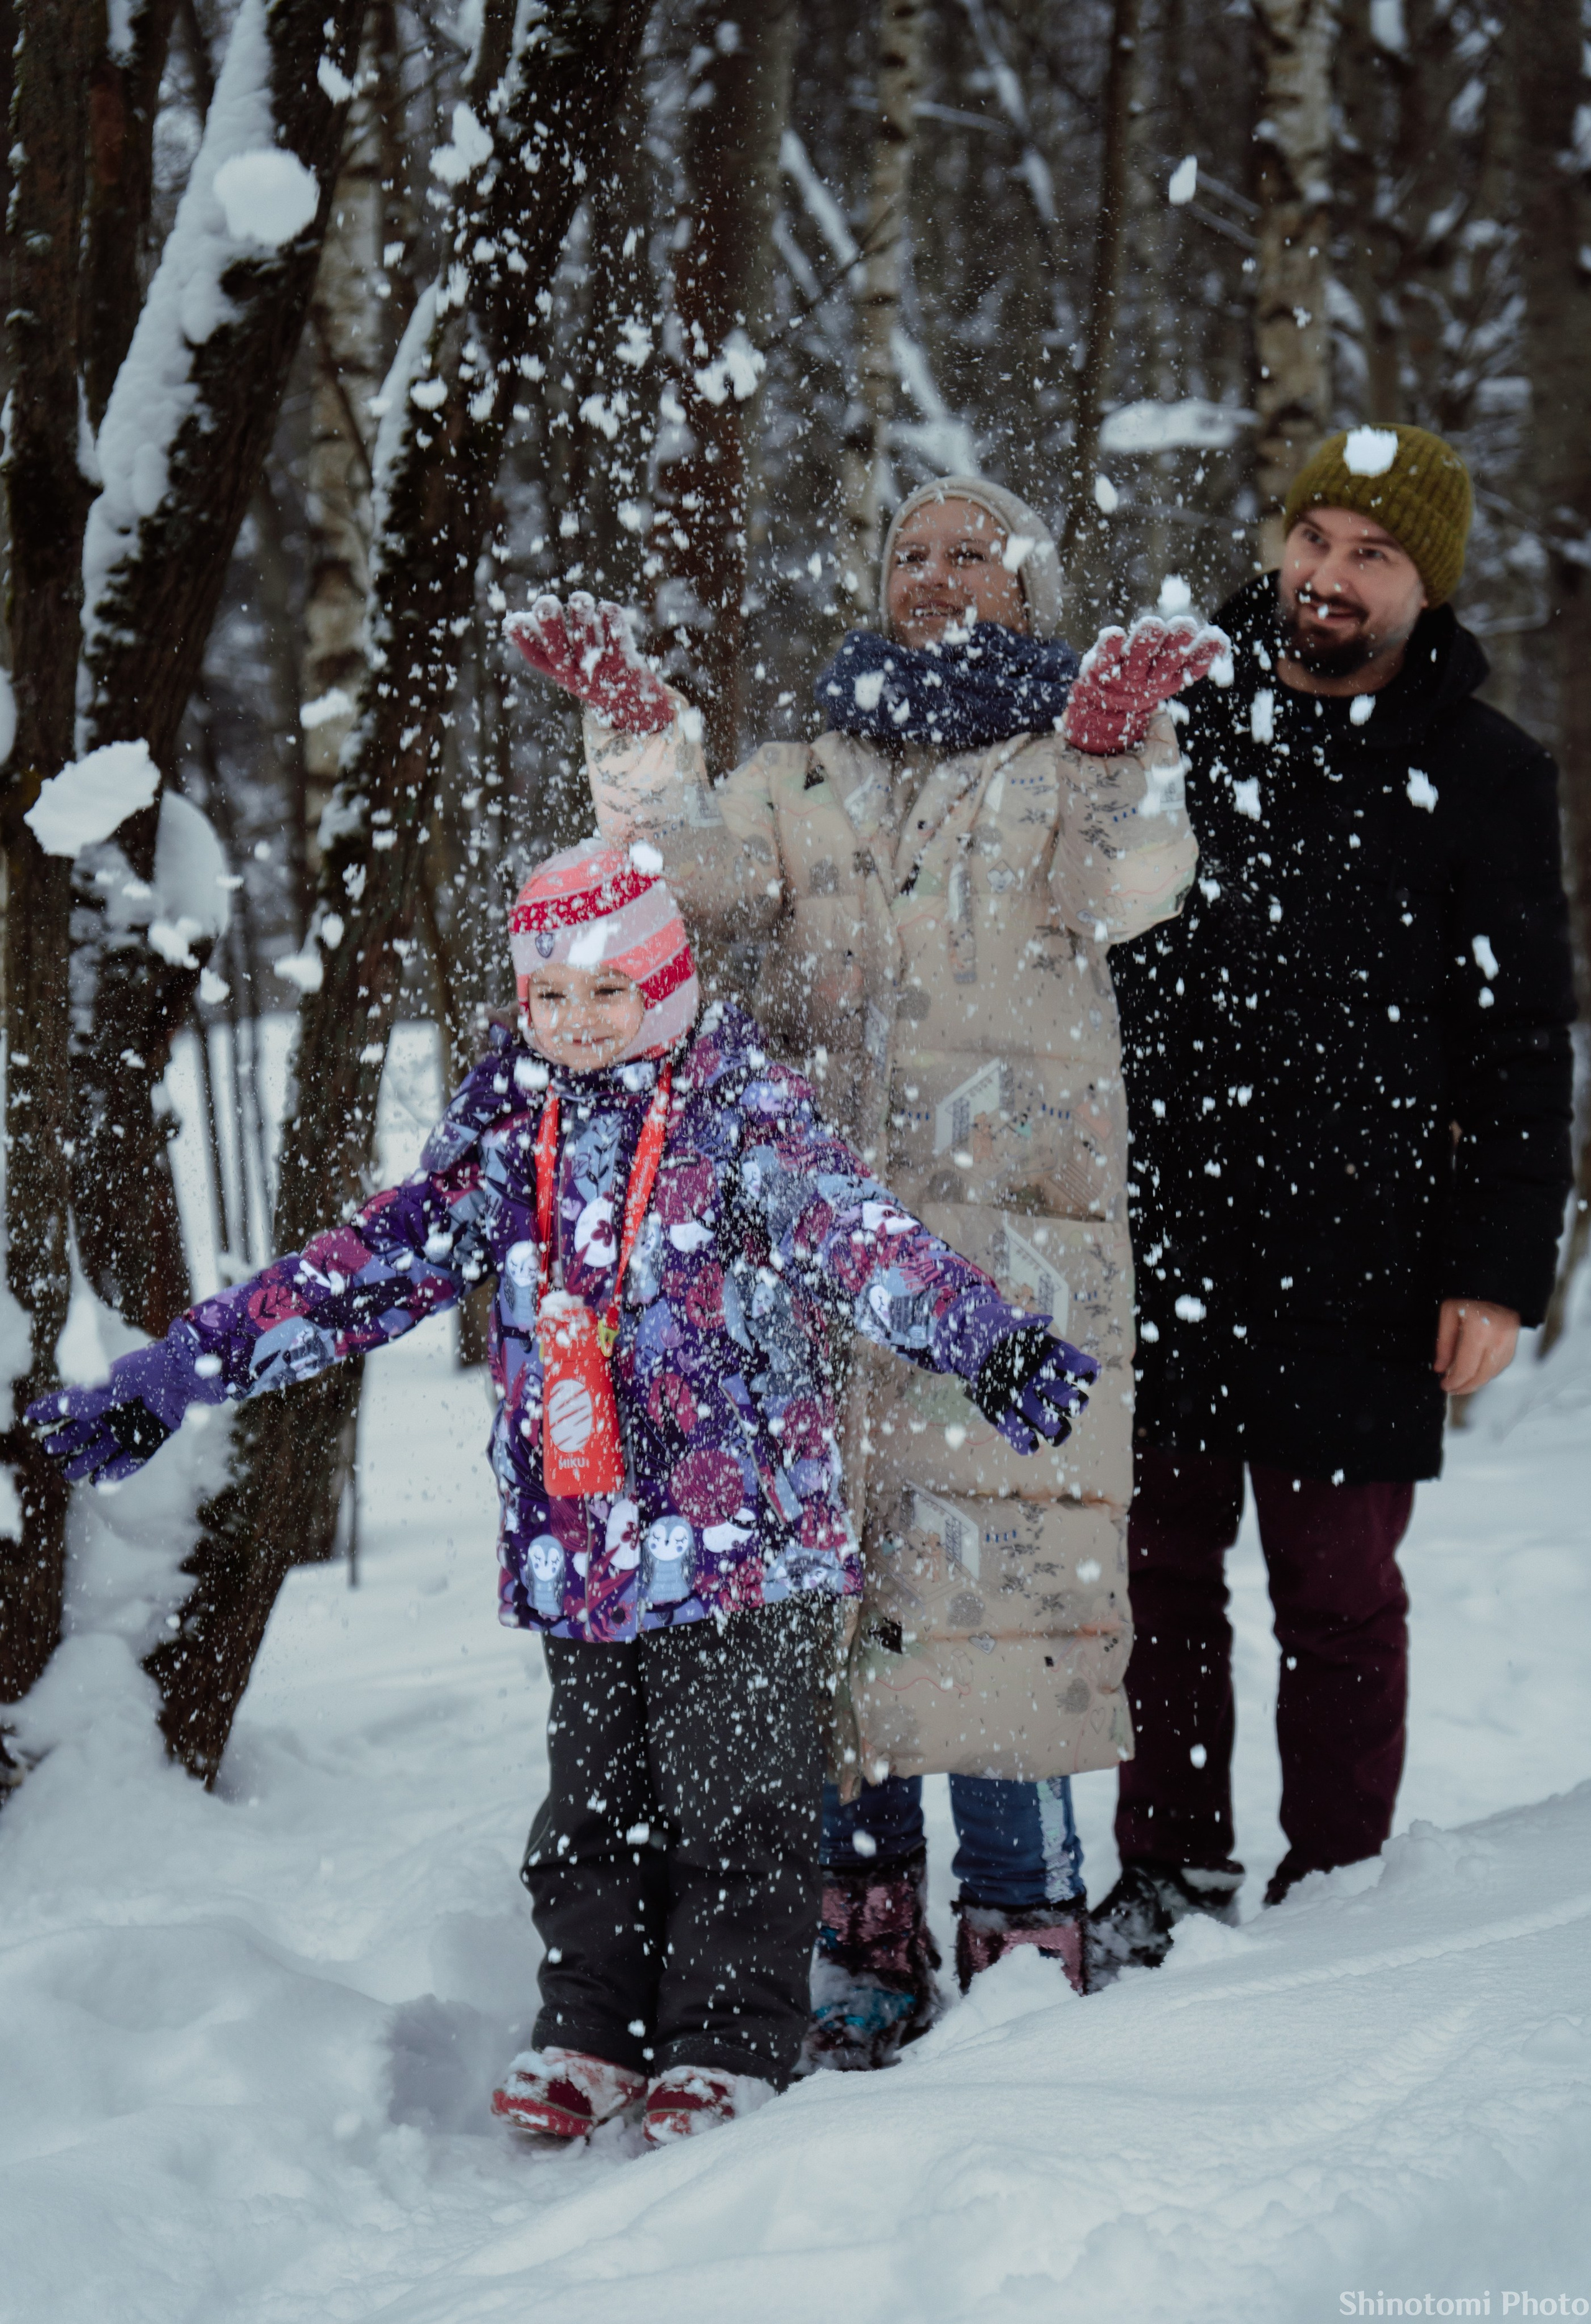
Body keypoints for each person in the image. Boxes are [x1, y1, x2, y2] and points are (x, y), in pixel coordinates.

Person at [29, 837, 1093, 2143]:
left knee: (737, 1804)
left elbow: (859, 1236)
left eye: (609, 992)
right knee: (589, 1806)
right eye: (553, 996)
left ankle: (728, 2039)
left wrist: (988, 1337)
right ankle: (594, 2026)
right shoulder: (506, 1128)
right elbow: (356, 1271)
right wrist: (175, 1374)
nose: (580, 1022)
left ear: (668, 983)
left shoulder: (741, 1111)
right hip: (579, 1541)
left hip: (736, 1538)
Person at [507, 477, 1225, 2051]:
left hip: (1011, 1258)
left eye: (975, 547)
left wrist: (1109, 755)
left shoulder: (1065, 759)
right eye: (911, 550)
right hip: (820, 1254)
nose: (938, 572)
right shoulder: (807, 774)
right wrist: (639, 747)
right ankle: (865, 1911)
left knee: (1003, 1579)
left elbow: (1135, 884)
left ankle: (1024, 1914)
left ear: (1028, 586)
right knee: (831, 1580)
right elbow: (663, 890)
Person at [1096, 424, 1575, 1970]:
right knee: (1153, 1577)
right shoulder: (1172, 711)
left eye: (1371, 556)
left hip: (1362, 1252)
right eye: (1314, 540)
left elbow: (1518, 1040)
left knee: (1336, 1596)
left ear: (1423, 591)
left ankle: (1337, 1891)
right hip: (1156, 1222)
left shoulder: (1487, 773)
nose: (1327, 576)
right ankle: (1165, 1867)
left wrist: (1497, 1272)